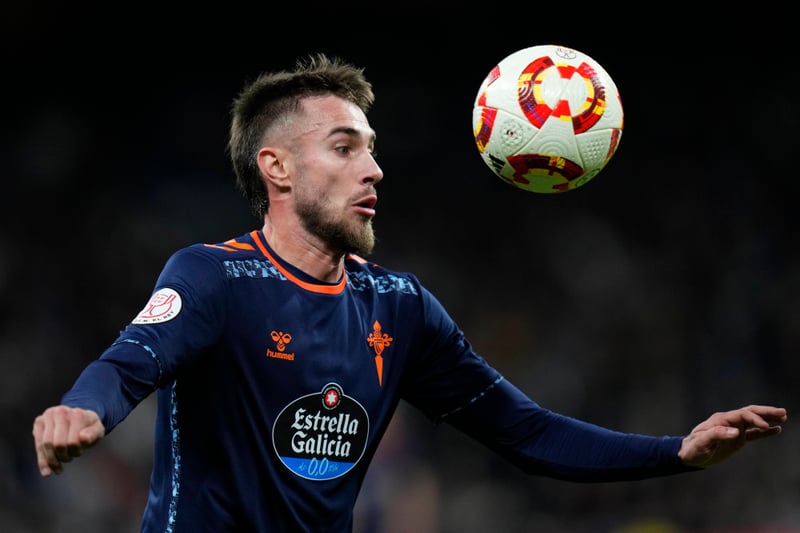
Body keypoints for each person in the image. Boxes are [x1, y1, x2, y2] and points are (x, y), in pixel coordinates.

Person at [32, 53, 787, 532]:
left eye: (372, 149)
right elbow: (127, 364)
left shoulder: (400, 305)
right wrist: (81, 410)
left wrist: (676, 453)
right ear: (277, 168)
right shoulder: (214, 276)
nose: (374, 169)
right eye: (344, 147)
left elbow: (524, 432)